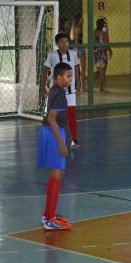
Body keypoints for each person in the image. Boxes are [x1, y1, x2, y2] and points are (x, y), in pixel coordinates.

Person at [37, 62, 74, 230]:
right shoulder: (59, 93)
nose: (71, 79)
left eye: (71, 75)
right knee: (58, 173)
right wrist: (61, 143)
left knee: (55, 174)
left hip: (47, 132)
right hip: (54, 133)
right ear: (59, 77)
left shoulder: (54, 89)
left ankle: (48, 214)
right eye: (68, 76)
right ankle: (49, 219)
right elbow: (52, 118)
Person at [42, 33, 81, 149]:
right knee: (53, 115)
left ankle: (74, 139)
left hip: (70, 92)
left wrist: (79, 85)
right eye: (62, 42)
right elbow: (45, 70)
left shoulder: (73, 54)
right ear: (57, 44)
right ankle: (50, 138)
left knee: (71, 115)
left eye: (66, 42)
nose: (65, 44)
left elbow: (76, 69)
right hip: (57, 93)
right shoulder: (53, 56)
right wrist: (43, 87)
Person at [93, 17, 113, 93]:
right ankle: (100, 89)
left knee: (99, 70)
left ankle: (100, 88)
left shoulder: (94, 32)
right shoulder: (104, 33)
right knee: (102, 72)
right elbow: (107, 43)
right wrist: (110, 51)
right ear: (103, 25)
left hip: (95, 53)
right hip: (102, 53)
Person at [71, 14, 86, 90]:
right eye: (81, 19)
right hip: (79, 48)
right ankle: (83, 86)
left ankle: (79, 85)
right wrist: (77, 51)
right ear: (78, 20)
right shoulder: (78, 28)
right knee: (82, 68)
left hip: (76, 48)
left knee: (77, 68)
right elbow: (77, 40)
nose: (83, 20)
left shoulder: (74, 28)